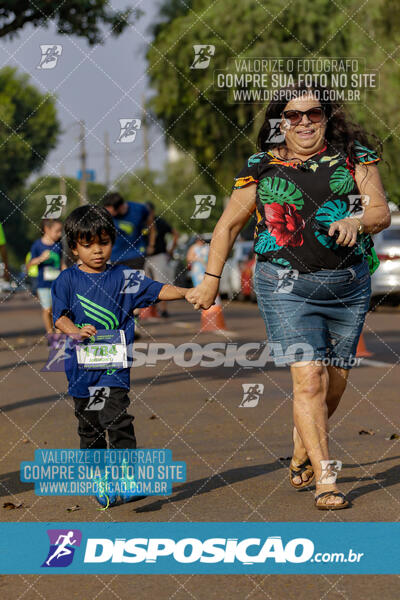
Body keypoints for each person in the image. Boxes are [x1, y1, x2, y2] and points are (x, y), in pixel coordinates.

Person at [186, 83, 391, 511]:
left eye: (312, 114)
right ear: (280, 122)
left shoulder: (355, 157)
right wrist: (209, 280)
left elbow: (379, 212)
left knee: (335, 381)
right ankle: (325, 479)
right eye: (292, 116)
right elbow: (226, 228)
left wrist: (357, 220)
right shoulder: (262, 167)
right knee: (309, 378)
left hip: (347, 284)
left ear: (326, 117)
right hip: (285, 285)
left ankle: (302, 452)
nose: (303, 123)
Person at [51, 205, 190, 507]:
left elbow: (158, 289)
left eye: (103, 242)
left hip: (114, 365)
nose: (97, 251)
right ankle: (100, 480)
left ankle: (128, 478)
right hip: (81, 369)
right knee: (90, 428)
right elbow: (58, 317)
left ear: (112, 241)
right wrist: (74, 330)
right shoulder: (67, 280)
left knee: (117, 418)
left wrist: (190, 292)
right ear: (74, 248)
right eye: (88, 245)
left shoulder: (124, 276)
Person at [27, 219, 64, 336]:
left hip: (58, 283)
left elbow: (62, 262)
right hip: (43, 284)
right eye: (57, 231)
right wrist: (41, 259)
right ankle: (50, 333)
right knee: (47, 309)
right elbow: (30, 264)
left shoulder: (59, 244)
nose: (60, 234)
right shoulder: (37, 245)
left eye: (60, 231)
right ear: (47, 230)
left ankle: (58, 334)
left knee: (58, 309)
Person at [145, 201, 179, 317]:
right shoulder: (141, 222)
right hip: (143, 258)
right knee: (145, 285)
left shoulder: (159, 221)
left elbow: (175, 233)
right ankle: (150, 310)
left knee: (161, 284)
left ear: (152, 211)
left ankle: (163, 310)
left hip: (158, 256)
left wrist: (171, 250)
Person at [103, 192, 149, 269]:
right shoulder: (105, 215)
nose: (108, 214)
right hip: (115, 257)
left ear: (120, 207)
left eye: (111, 211)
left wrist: (151, 243)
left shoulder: (138, 209)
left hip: (135, 255)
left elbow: (150, 220)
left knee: (135, 280)